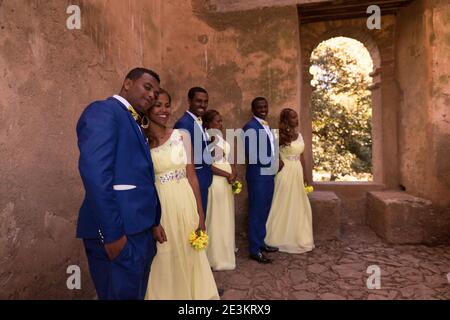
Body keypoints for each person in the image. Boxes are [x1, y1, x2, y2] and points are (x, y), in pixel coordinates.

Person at [76, 68, 162, 300]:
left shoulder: (133, 120)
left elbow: (139, 178)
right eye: (147, 87)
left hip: (139, 231)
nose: (152, 95)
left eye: (156, 92)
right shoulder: (104, 111)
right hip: (118, 233)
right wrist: (112, 237)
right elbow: (96, 176)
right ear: (127, 83)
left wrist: (153, 221)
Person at [145, 89, 219, 300]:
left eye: (167, 105)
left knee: (189, 252)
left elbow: (192, 176)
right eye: (158, 105)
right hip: (161, 206)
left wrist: (200, 214)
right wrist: (152, 220)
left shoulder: (182, 135)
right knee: (164, 256)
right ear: (148, 107)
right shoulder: (142, 141)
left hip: (185, 201)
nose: (163, 110)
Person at [265, 108, 315, 253]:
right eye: (293, 117)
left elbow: (303, 158)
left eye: (296, 116)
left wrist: (306, 177)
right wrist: (278, 162)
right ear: (286, 120)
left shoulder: (299, 136)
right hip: (284, 172)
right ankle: (276, 237)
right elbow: (272, 154)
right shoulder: (278, 136)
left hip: (297, 172)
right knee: (282, 203)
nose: (296, 119)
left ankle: (298, 237)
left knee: (298, 204)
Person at [242, 97, 279, 264]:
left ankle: (261, 242)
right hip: (258, 175)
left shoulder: (266, 125)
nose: (263, 109)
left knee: (264, 209)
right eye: (259, 107)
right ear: (253, 109)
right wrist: (273, 163)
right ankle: (254, 250)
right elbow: (253, 154)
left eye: (265, 106)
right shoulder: (250, 127)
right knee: (257, 211)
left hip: (268, 174)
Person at [203, 110, 237, 271]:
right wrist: (226, 174)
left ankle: (225, 250)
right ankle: (214, 255)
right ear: (208, 124)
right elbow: (208, 166)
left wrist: (234, 172)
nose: (220, 124)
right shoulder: (206, 139)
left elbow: (228, 158)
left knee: (225, 215)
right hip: (216, 182)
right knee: (216, 217)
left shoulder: (221, 138)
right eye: (217, 121)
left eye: (221, 121)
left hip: (226, 182)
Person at [174, 87, 212, 215]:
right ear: (189, 101)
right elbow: (184, 156)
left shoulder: (198, 122)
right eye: (199, 101)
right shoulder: (184, 124)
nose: (203, 105)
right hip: (195, 180)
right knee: (196, 219)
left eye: (205, 102)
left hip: (203, 179)